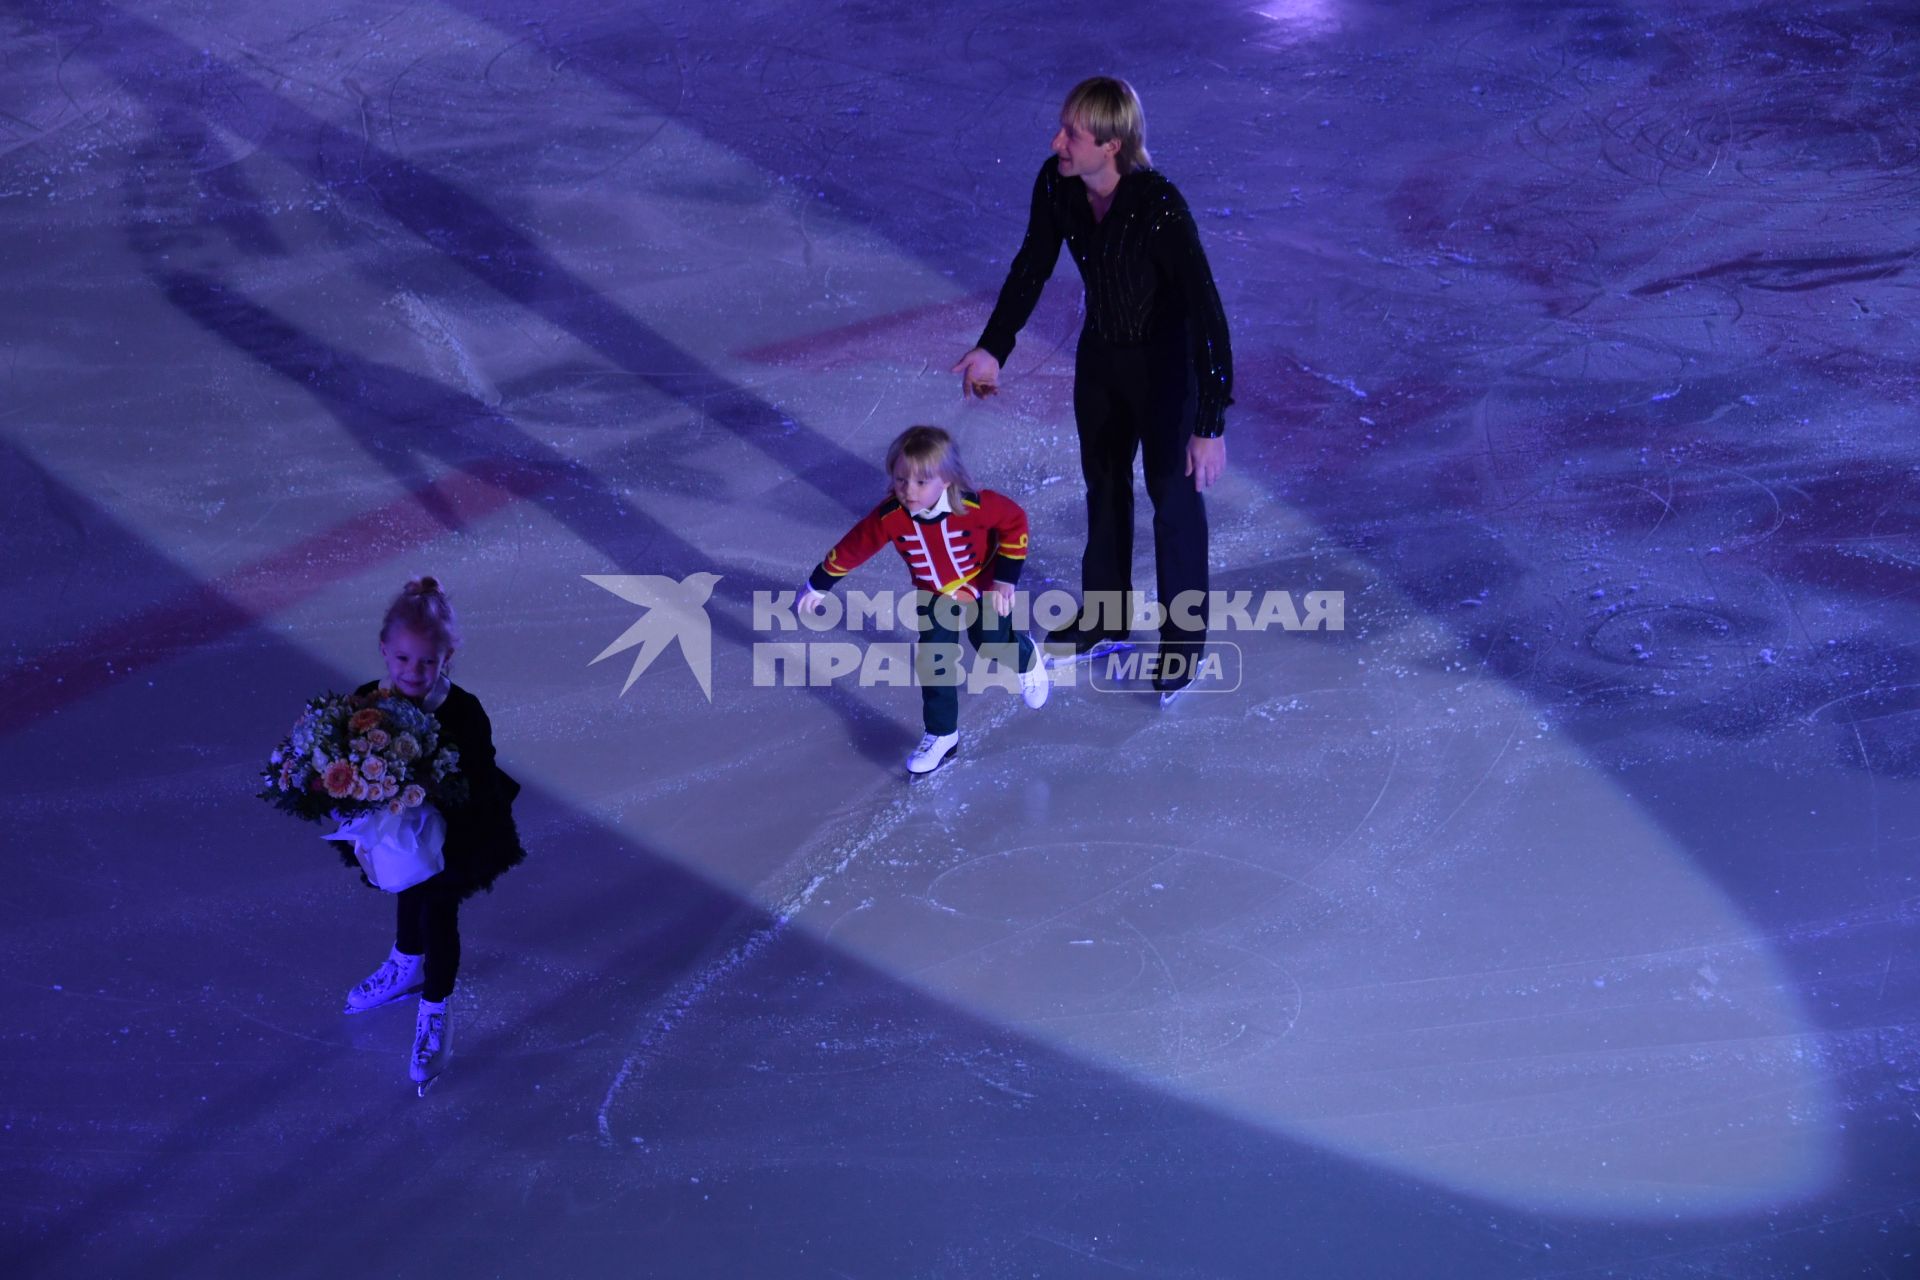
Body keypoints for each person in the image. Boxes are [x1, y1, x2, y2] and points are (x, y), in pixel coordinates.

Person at [951, 75, 1233, 699]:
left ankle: (1182, 648)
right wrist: (993, 348)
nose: (1056, 142)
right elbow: (1032, 265)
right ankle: (1105, 618)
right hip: (1102, 360)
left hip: (1166, 371)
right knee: (1104, 486)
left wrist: (1209, 422)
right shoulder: (1057, 185)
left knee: (1172, 499)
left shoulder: (1157, 205)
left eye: (1071, 134)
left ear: (1110, 145)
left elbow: (1208, 313)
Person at [340, 576, 526, 1090]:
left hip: (457, 831)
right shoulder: (366, 702)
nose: (413, 672)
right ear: (384, 651)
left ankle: (435, 1005)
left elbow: (480, 780)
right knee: (405, 885)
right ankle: (405, 962)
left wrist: (431, 787)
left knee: (438, 909)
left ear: (448, 658)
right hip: (395, 827)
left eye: (427, 661)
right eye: (402, 660)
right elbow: (347, 757)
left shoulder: (463, 712)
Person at [801, 426, 1050, 774]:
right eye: (901, 480)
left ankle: (1026, 658)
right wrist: (819, 583)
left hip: (983, 584)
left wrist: (1005, 580)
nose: (908, 490)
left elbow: (1014, 522)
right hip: (934, 594)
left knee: (990, 642)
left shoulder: (975, 505)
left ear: (947, 480)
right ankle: (942, 734)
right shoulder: (890, 517)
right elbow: (854, 546)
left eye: (921, 482)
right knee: (934, 663)